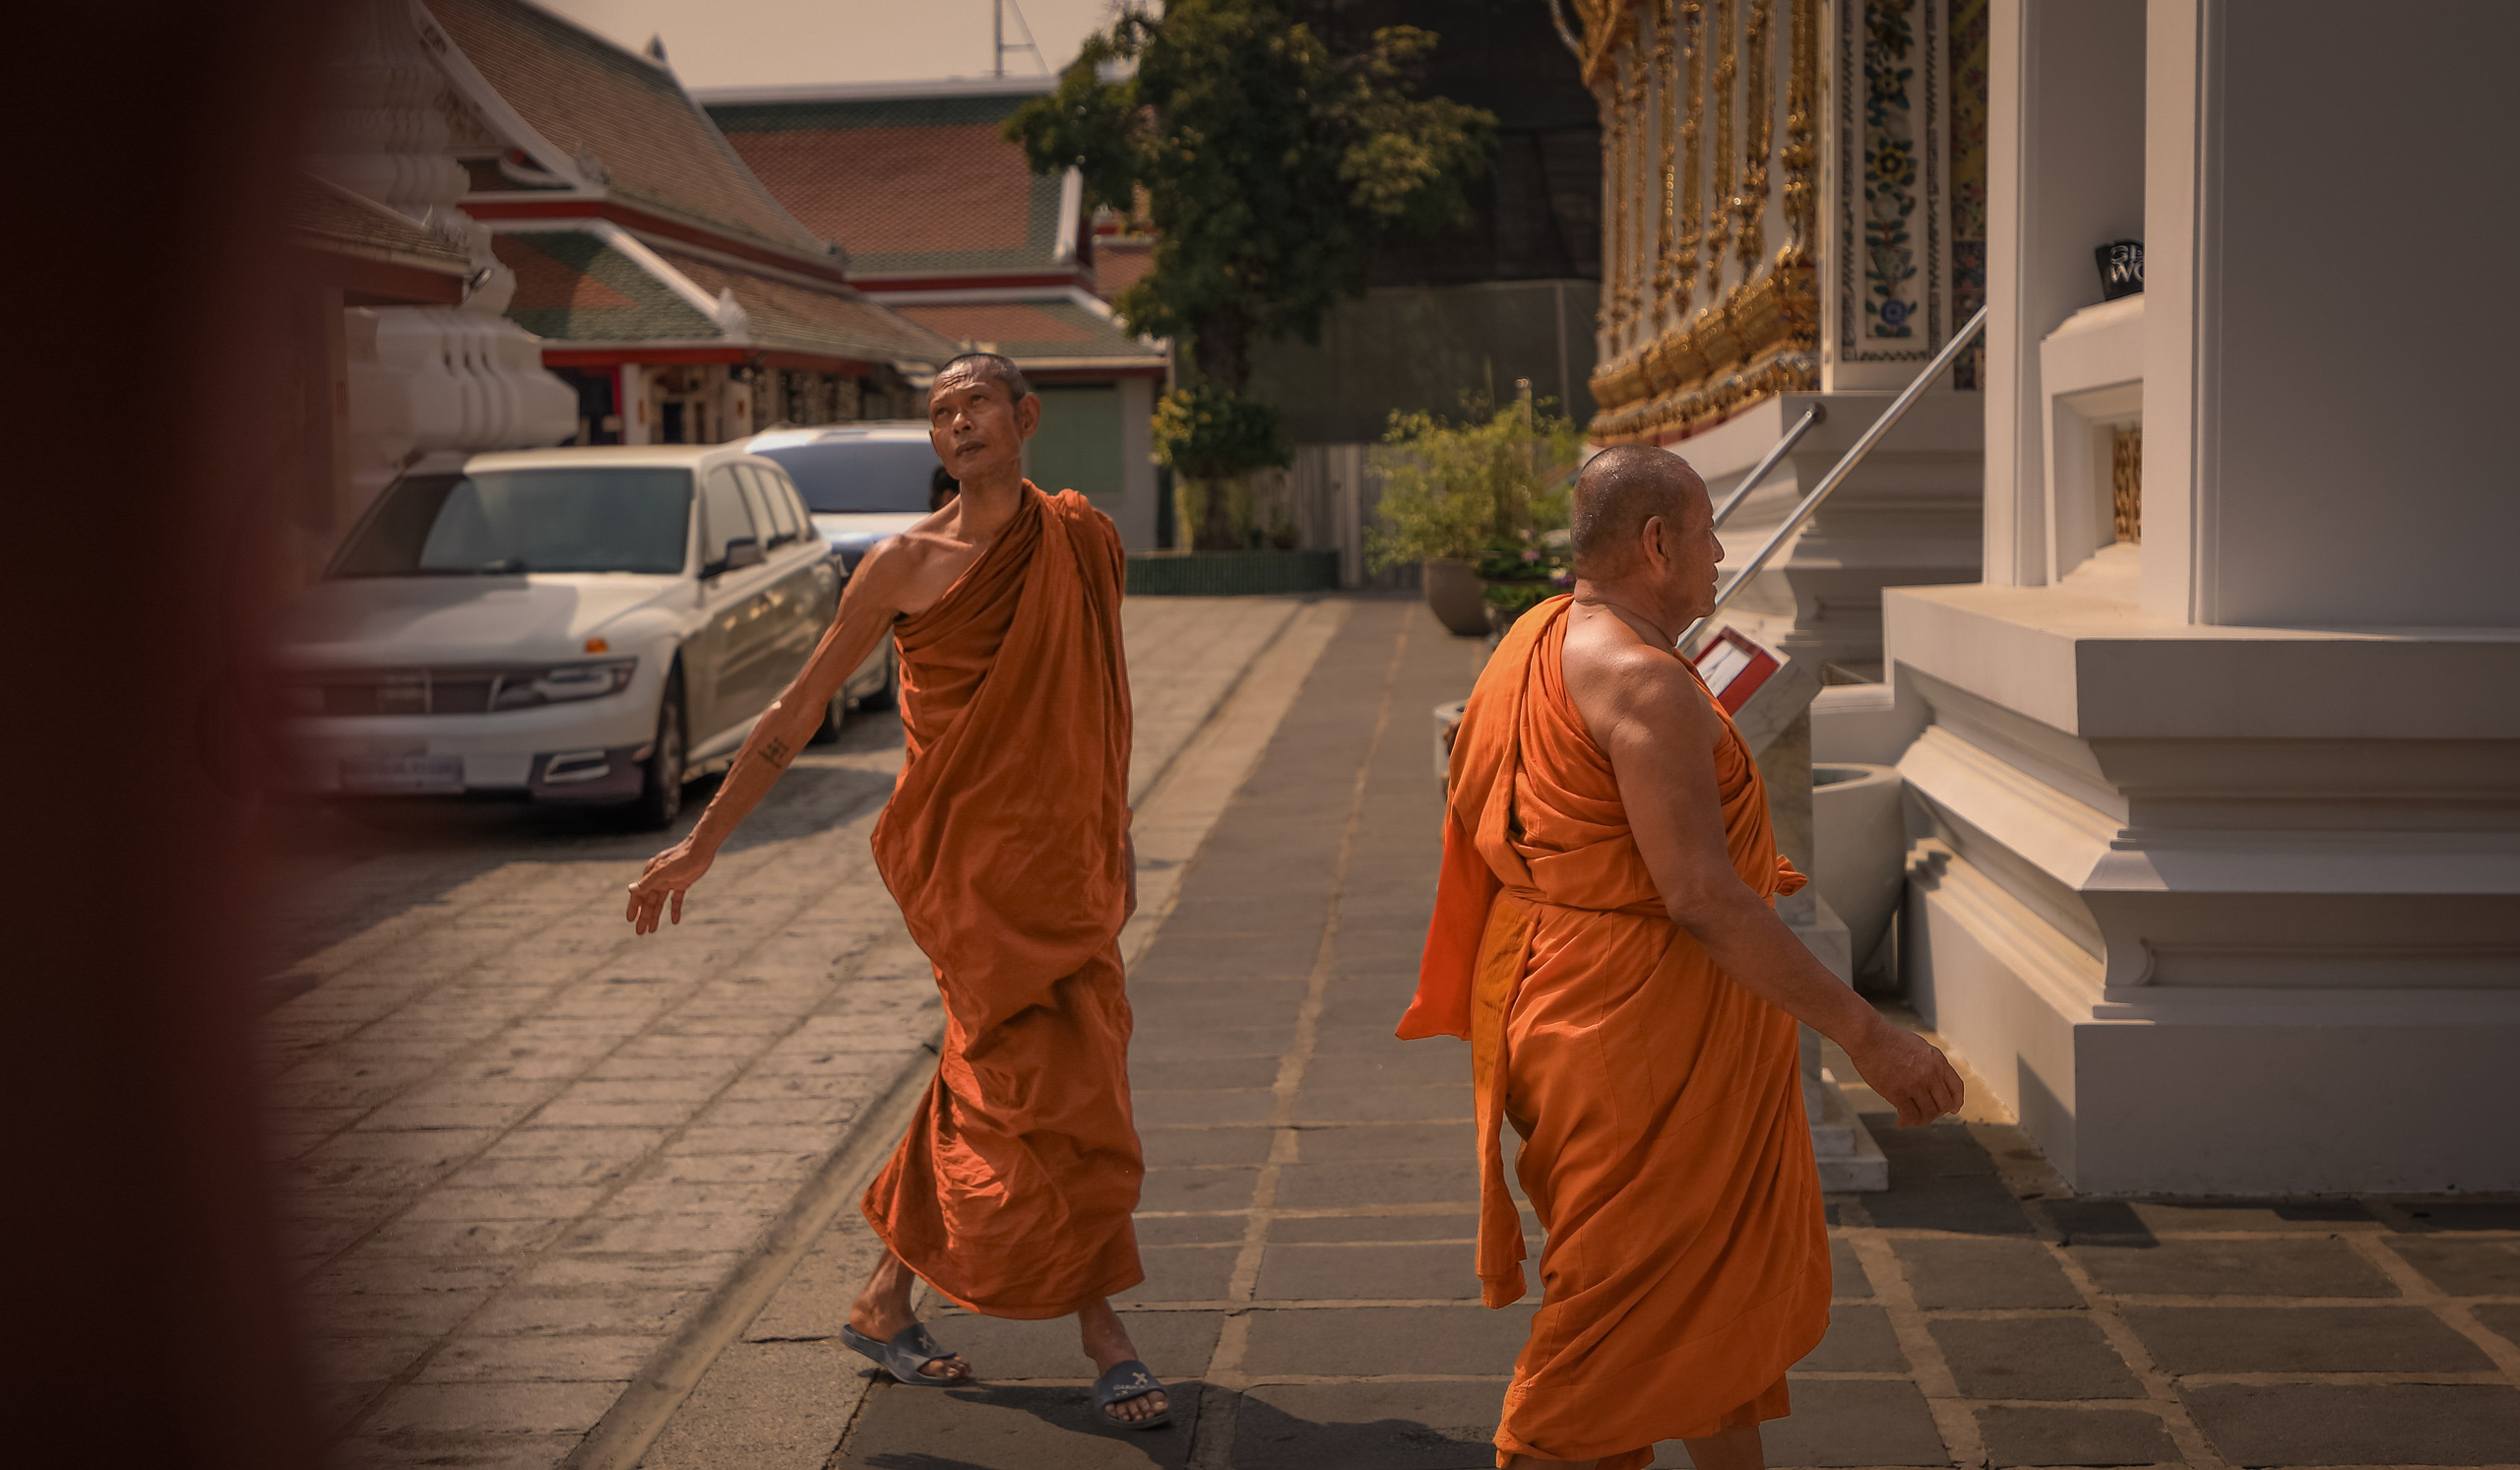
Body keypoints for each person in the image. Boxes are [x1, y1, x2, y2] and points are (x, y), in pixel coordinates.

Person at [623, 352, 1169, 1430]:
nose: (955, 423)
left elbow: (1097, 703)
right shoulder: (898, 565)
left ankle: (883, 1300)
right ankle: (1102, 1327)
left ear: (1024, 416)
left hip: (1062, 859)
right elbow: (795, 709)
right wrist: (702, 842)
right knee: (1041, 1083)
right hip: (965, 865)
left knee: (1000, 1071)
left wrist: (1114, 837)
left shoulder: (1079, 539)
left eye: (973, 404)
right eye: (937, 412)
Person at [1397, 445, 1965, 1470]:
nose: (1718, 553)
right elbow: (1701, 896)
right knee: (1608, 1328)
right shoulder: (1647, 682)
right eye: (1706, 531)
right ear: (1656, 542)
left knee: (1705, 1292)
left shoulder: (1531, 638)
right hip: (1630, 1035)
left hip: (1555, 993)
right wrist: (1867, 1032)